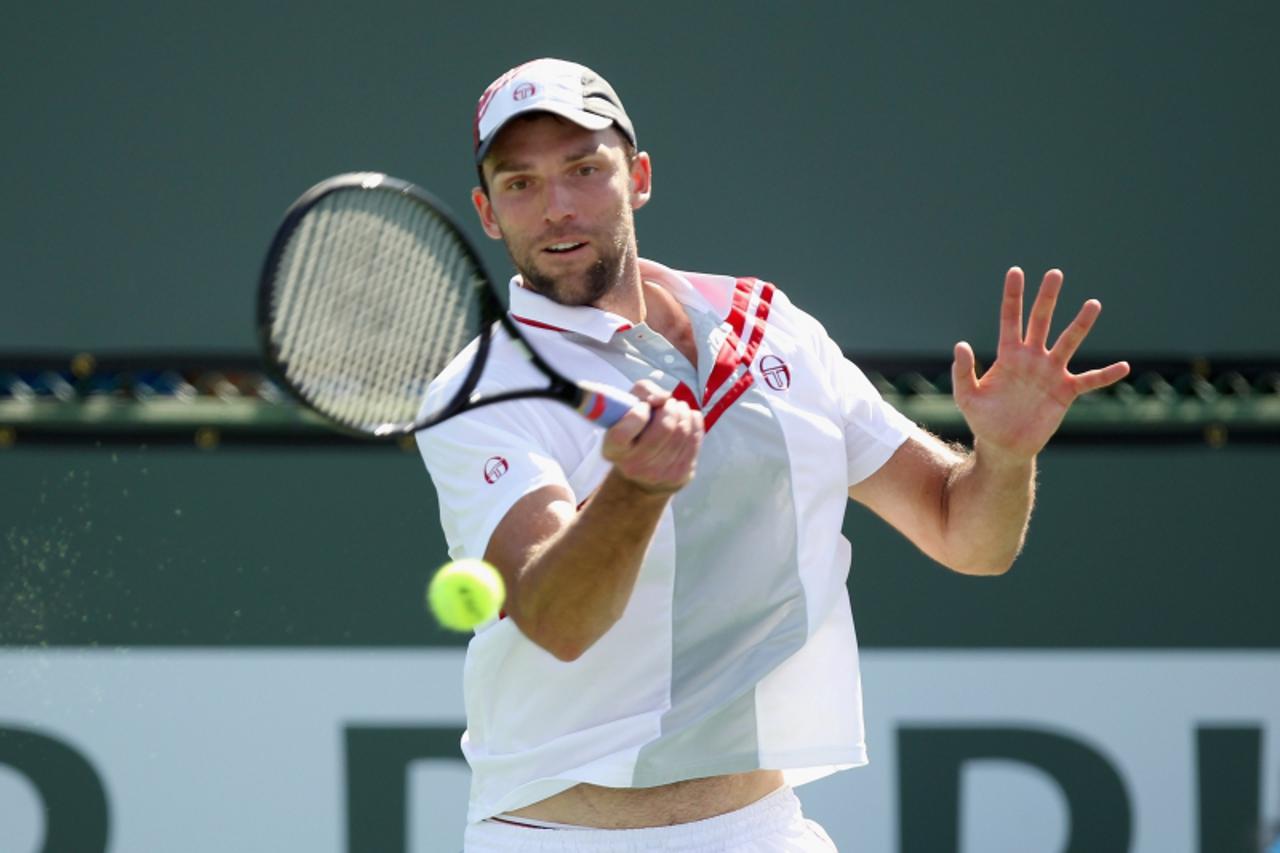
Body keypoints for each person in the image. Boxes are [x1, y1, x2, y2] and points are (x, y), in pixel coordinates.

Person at [417, 57, 1129, 852]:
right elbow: (558, 620)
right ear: (487, 210)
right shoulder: (480, 389)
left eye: (584, 169)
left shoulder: (767, 324)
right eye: (520, 183)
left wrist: (1003, 455)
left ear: (639, 176)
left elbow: (968, 536)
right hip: (560, 839)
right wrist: (637, 490)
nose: (556, 207)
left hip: (760, 830)